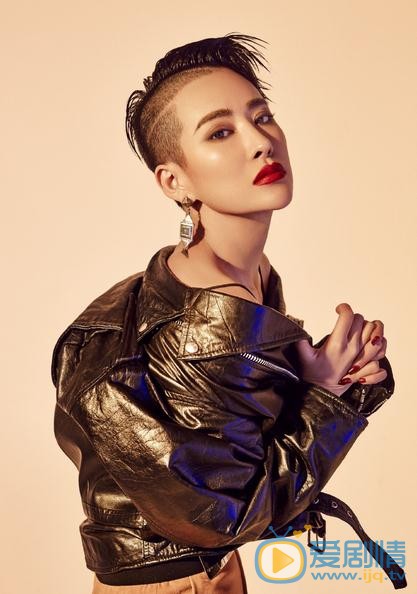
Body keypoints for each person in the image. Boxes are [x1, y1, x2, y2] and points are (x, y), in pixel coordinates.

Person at [51, 33, 406, 593]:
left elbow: (230, 443)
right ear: (175, 180)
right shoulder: (203, 322)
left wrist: (316, 378)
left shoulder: (237, 276)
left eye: (262, 117)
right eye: (220, 132)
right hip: (174, 583)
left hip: (206, 568)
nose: (260, 142)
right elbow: (231, 515)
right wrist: (326, 399)